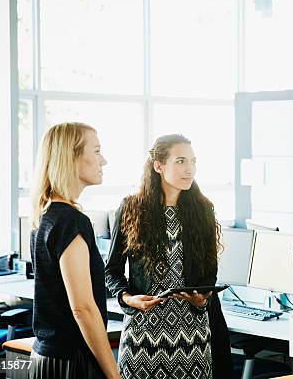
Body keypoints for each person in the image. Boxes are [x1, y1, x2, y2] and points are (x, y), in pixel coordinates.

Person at [105, 134, 224, 379]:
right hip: (143, 335)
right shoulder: (131, 208)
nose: (189, 169)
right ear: (159, 166)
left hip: (192, 336)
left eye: (193, 161)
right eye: (180, 161)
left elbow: (209, 270)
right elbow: (112, 270)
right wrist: (128, 298)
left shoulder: (203, 210)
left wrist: (203, 298)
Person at [29, 122, 119, 379]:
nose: (104, 161)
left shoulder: (45, 215)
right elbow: (82, 308)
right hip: (70, 360)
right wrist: (114, 375)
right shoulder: (70, 221)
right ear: (71, 157)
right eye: (97, 151)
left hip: (48, 356)